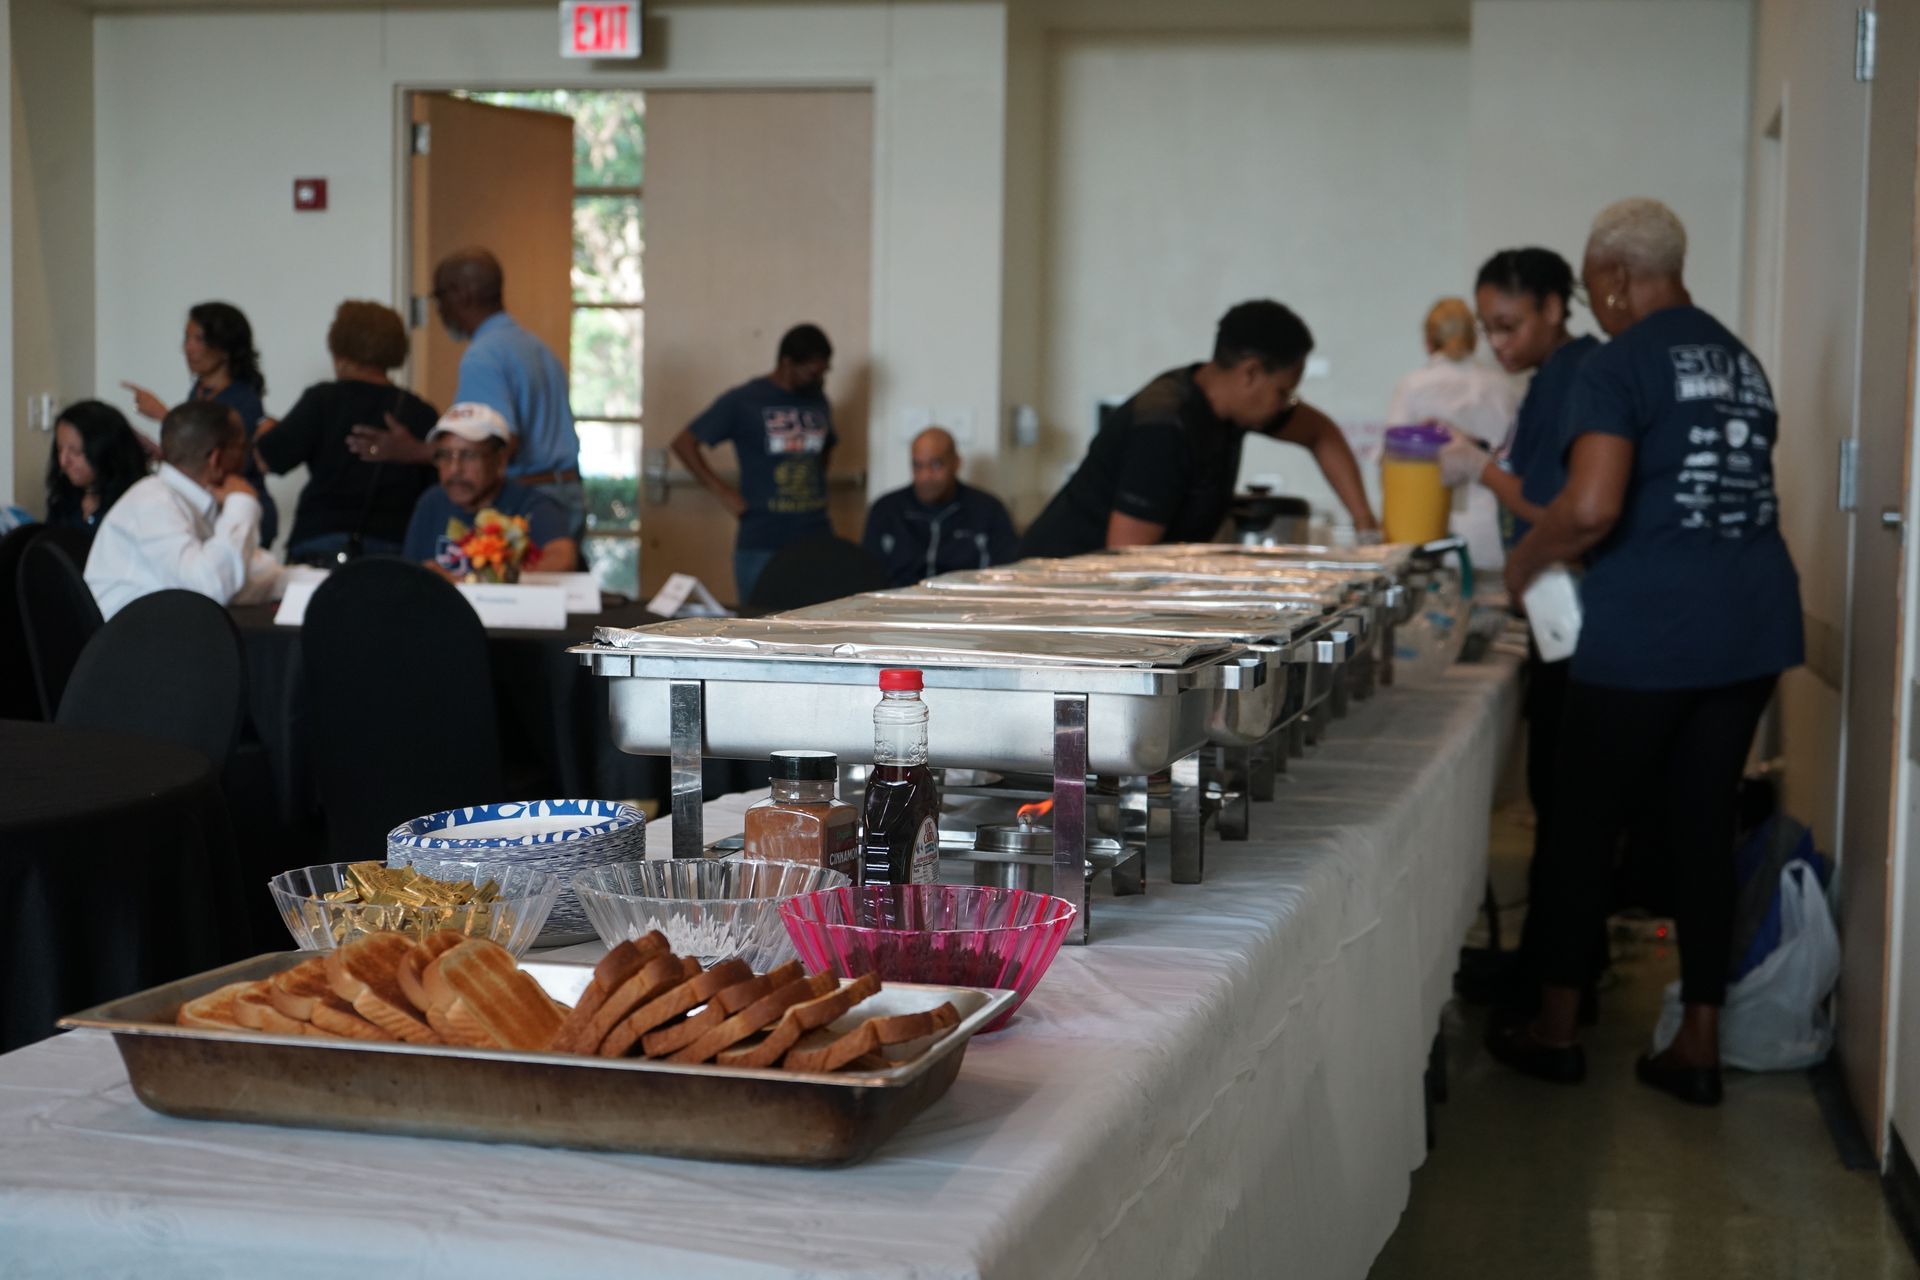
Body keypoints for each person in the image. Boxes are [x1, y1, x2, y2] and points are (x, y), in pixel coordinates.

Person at [1492, 199, 1804, 1107]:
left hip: (1649, 631)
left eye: (1596, 293)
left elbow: (1590, 507)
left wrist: (1525, 557)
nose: (1599, 308)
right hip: (1750, 628)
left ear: (1618, 278)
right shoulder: (1740, 362)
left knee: (1582, 825)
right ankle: (1698, 1043)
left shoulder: (1621, 362)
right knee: (1702, 826)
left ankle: (1554, 1031)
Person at [1440, 248, 1605, 1015]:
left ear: (1551, 308)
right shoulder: (1549, 383)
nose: (1498, 344)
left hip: (1576, 615)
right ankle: (1548, 967)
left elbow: (1558, 505)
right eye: (1487, 329)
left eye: (1509, 326)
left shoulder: (1579, 376)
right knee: (1556, 800)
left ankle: (1556, 984)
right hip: (1553, 609)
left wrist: (1480, 467)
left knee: (1567, 805)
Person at [1020, 300, 1378, 556]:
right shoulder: (1164, 426)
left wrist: (1366, 528)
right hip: (1061, 587)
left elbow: (1322, 434)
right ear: (1250, 373)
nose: (1286, 404)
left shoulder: (1231, 408)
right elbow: (1128, 562)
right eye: (1282, 392)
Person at [349, 248, 582, 536]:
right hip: (566, 492)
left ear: (461, 293)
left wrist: (414, 451)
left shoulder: (484, 355)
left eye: (439, 297)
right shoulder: (535, 347)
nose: (439, 309)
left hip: (527, 505)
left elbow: (497, 442)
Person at [255, 301, 438, 564]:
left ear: (339, 346)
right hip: (396, 547)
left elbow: (267, 459)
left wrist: (266, 428)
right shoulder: (420, 412)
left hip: (321, 540)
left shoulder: (323, 400)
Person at [671, 323, 838, 602]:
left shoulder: (818, 399)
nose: (820, 379)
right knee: (759, 626)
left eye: (824, 371)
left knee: (819, 627)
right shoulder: (745, 400)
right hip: (762, 539)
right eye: (812, 371)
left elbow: (826, 447)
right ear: (787, 363)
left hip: (816, 535)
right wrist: (722, 492)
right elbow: (684, 443)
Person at [85, 399, 282, 620]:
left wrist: (312, 582)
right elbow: (209, 591)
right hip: (128, 646)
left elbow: (242, 577)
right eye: (242, 447)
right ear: (216, 459)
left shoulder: (190, 499)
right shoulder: (153, 503)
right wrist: (242, 503)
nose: (247, 458)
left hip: (161, 637)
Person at [122, 301, 278, 548]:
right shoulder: (199, 391)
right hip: (210, 512)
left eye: (199, 339)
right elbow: (197, 459)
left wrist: (164, 415)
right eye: (186, 338)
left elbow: (227, 462)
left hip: (237, 510)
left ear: (224, 348)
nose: (188, 348)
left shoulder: (242, 399)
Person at [402, 402, 579, 572]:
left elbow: (562, 558)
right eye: (445, 455)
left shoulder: (531, 505)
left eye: (469, 455)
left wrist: (474, 585)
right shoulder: (432, 502)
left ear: (500, 461)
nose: (454, 469)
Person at [862, 427, 1020, 587]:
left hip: (965, 604)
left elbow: (1005, 575)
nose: (926, 475)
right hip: (894, 606)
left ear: (956, 463)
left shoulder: (988, 510)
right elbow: (869, 575)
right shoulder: (886, 510)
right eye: (918, 466)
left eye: (936, 464)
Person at [1386, 297, 1519, 443]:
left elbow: (1392, 453)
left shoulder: (1412, 386)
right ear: (1474, 341)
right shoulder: (1504, 388)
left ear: (1428, 343)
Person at [44, 400, 150, 529]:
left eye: (76, 451)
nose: (63, 461)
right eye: (59, 450)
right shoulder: (63, 501)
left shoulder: (140, 503)